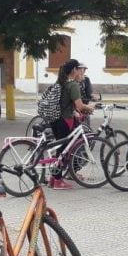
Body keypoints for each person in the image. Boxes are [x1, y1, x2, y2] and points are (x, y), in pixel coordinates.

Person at [50, 59, 94, 190]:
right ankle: (58, 181)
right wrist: (89, 107)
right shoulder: (73, 85)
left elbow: (65, 103)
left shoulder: (62, 82)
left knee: (61, 148)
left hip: (56, 119)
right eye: (79, 69)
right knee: (63, 150)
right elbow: (80, 106)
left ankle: (53, 178)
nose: (81, 71)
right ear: (74, 70)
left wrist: (75, 112)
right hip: (65, 120)